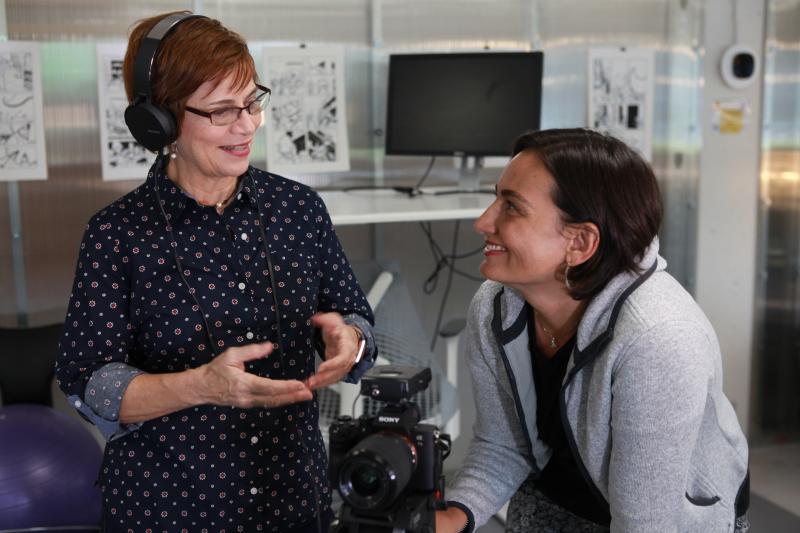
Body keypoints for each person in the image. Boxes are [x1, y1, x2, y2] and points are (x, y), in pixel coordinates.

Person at [55, 11, 376, 533]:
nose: (247, 125)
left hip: (292, 498)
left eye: (252, 102)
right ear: (160, 121)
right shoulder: (117, 234)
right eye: (222, 111)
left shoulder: (299, 210)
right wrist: (201, 386)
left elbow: (354, 315)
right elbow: (90, 382)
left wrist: (351, 341)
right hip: (169, 508)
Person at [436, 128, 750, 532]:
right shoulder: (497, 306)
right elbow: (503, 445)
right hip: (554, 493)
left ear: (581, 242)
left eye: (511, 206)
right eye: (494, 198)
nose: (483, 222)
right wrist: (453, 518)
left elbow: (645, 523)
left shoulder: (659, 339)